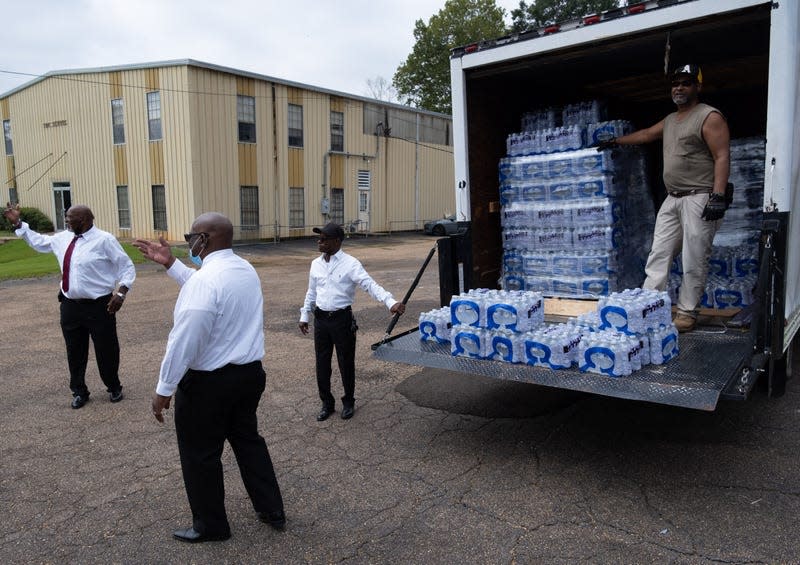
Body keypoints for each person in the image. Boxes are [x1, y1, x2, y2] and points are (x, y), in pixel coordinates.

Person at [133, 213, 285, 543]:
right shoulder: (244, 269)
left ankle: (211, 526)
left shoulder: (205, 282)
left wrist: (164, 388)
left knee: (200, 455)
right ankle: (271, 508)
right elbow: (209, 291)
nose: (188, 243)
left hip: (208, 386)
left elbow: (185, 339)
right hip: (248, 376)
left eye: (190, 238)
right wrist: (171, 263)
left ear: (205, 239)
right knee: (248, 441)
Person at [598, 64, 731, 332]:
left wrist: (717, 195)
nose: (679, 88)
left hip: (699, 197)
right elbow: (647, 134)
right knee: (659, 252)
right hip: (673, 199)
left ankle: (687, 312)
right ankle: (649, 305)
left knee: (694, 257)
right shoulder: (672, 120)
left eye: (686, 83)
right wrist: (616, 142)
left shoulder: (709, 116)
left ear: (697, 87)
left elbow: (722, 156)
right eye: (675, 84)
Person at [3, 203, 133, 408]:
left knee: (106, 348)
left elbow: (126, 267)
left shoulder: (104, 240)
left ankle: (113, 386)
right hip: (70, 305)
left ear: (85, 220)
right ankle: (79, 391)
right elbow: (39, 242)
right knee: (74, 350)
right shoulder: (63, 238)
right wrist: (19, 223)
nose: (66, 221)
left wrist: (120, 294)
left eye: (70, 218)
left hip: (100, 305)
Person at [299, 222, 405, 421]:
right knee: (322, 364)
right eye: (319, 238)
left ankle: (348, 402)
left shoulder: (351, 263)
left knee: (345, 363)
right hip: (321, 320)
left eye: (324, 239)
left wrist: (390, 301)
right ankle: (326, 403)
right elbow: (311, 292)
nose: (319, 242)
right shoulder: (316, 264)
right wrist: (305, 315)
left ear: (337, 241)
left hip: (342, 320)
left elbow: (369, 285)